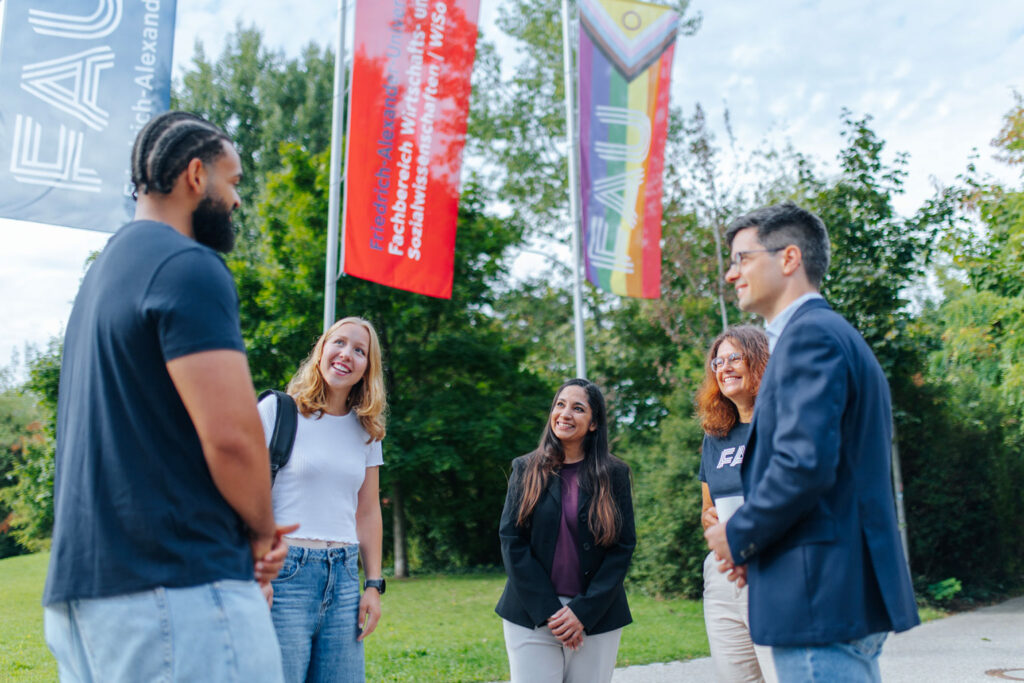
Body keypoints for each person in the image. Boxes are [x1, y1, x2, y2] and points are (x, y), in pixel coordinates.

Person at [42, 110, 295, 682]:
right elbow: (232, 437)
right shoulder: (187, 265)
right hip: (177, 592)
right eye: (233, 182)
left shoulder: (102, 276)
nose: (237, 201)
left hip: (86, 598)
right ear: (196, 176)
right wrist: (260, 534)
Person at [704, 202, 919, 681]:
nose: (730, 273)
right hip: (828, 584)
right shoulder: (827, 335)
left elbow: (802, 466)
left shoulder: (809, 339)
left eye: (742, 258)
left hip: (819, 590)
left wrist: (737, 537)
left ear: (788, 259)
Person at [259, 317, 387, 683]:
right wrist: (259, 574)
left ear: (366, 368)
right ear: (321, 351)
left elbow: (368, 510)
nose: (347, 354)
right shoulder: (277, 411)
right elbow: (247, 498)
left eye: (359, 350)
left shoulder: (367, 429)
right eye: (339, 343)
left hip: (345, 577)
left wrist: (373, 586)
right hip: (285, 574)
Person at [496, 379, 636, 683]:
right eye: (560, 404)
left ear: (594, 423)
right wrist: (551, 612)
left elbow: (622, 548)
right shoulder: (525, 468)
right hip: (531, 614)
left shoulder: (615, 474)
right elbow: (511, 540)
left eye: (578, 408)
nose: (565, 413)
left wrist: (582, 613)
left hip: (597, 616)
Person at [696, 325, 777, 683]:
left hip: (774, 568)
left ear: (760, 361)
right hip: (724, 575)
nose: (724, 367)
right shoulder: (715, 437)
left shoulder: (784, 425)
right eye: (718, 361)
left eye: (734, 358)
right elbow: (707, 509)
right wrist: (709, 520)